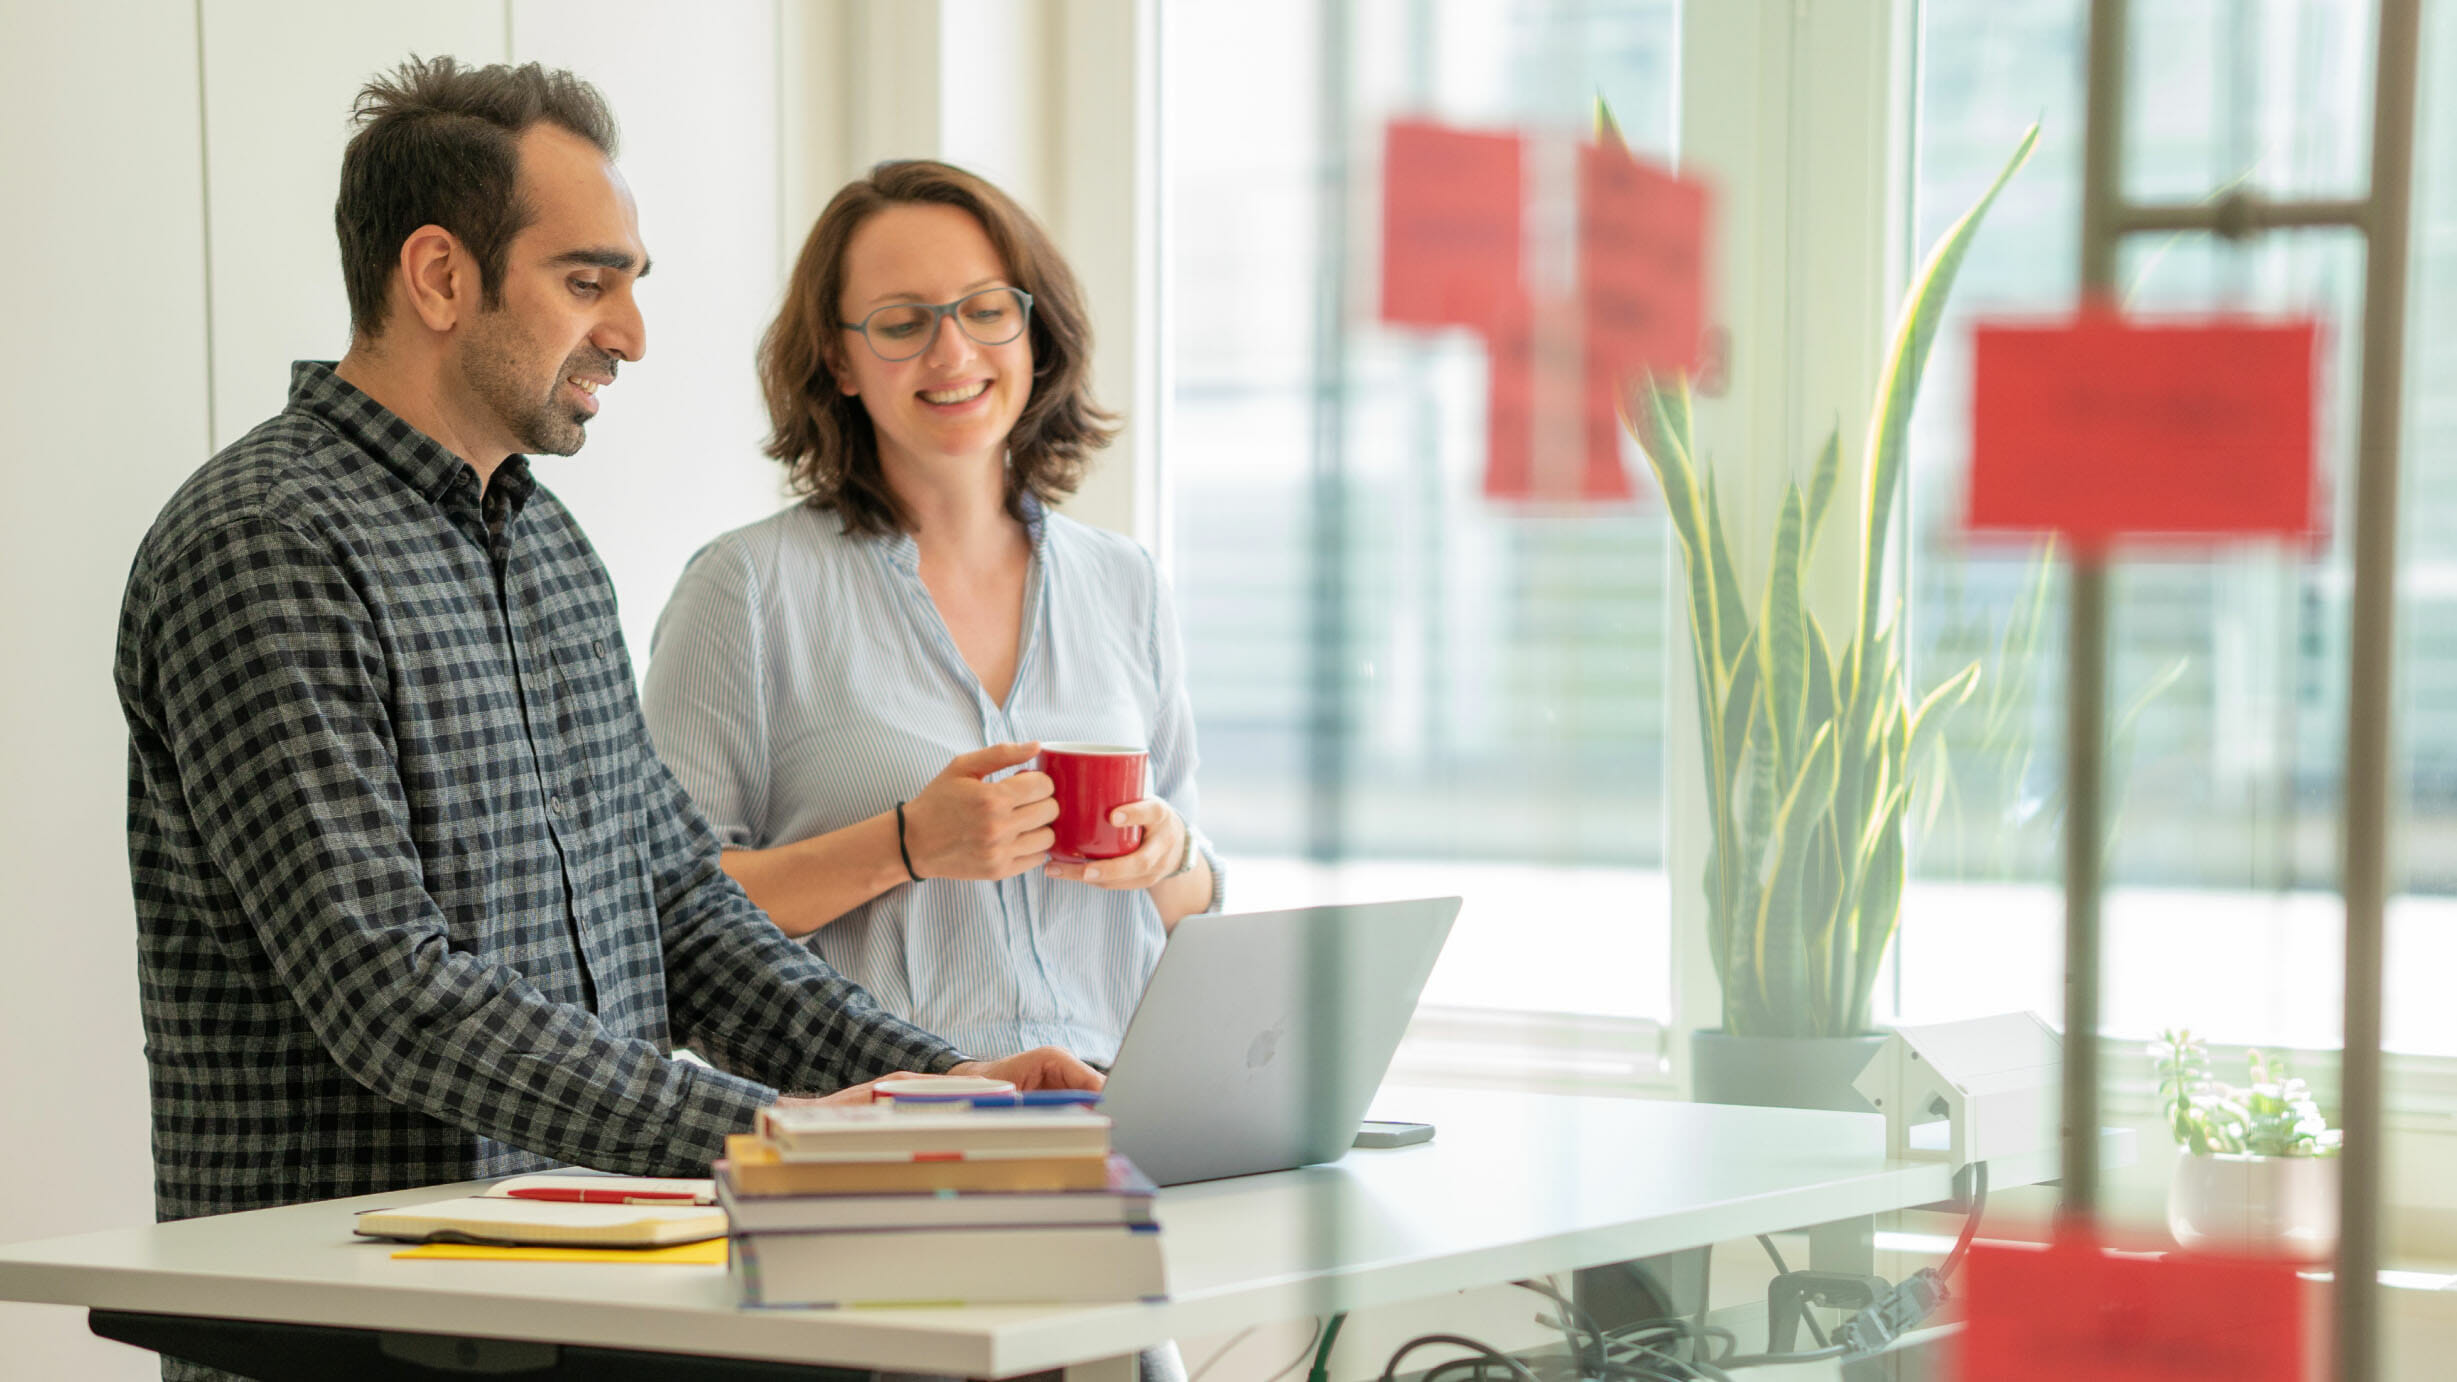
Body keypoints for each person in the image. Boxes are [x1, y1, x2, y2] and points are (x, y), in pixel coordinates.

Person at [111, 60, 1095, 1370]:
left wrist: (940, 1087)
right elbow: (388, 991)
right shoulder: (265, 545)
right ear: (440, 277)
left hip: (577, 1299)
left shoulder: (550, 551)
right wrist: (774, 1136)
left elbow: (678, 907)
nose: (631, 332)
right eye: (588, 282)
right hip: (355, 1326)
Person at [641, 161, 1223, 1068]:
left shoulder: (1127, 584)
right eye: (902, 323)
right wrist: (906, 844)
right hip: (891, 1114)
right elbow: (658, 915)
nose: (952, 355)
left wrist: (1172, 854)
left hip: (1115, 1110)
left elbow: (1194, 910)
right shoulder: (745, 589)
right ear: (837, 359)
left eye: (985, 310)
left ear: (1034, 330)